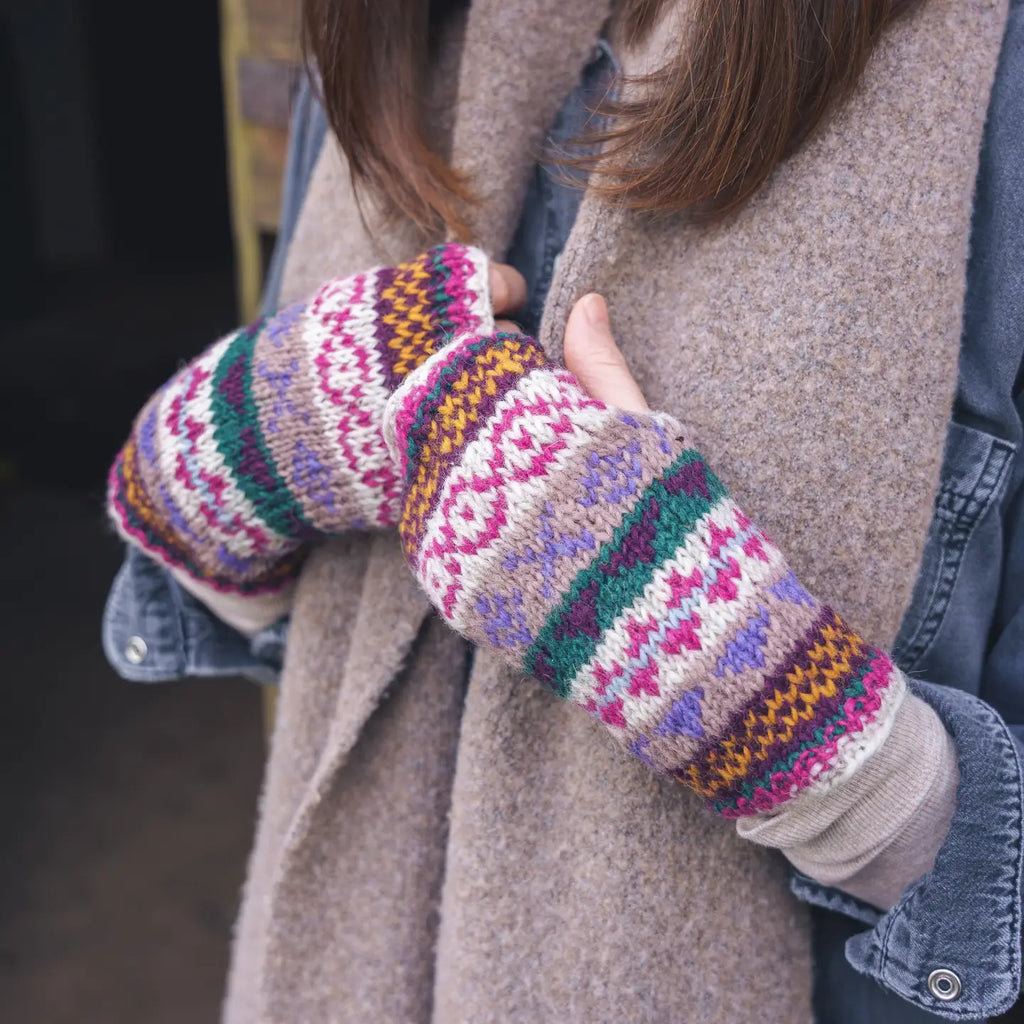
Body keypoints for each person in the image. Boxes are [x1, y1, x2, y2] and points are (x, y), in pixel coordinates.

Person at [102, 0, 1024, 1020]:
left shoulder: (994, 69)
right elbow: (329, 636)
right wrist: (230, 451)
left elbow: (989, 901)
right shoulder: (389, 30)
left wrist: (761, 702)